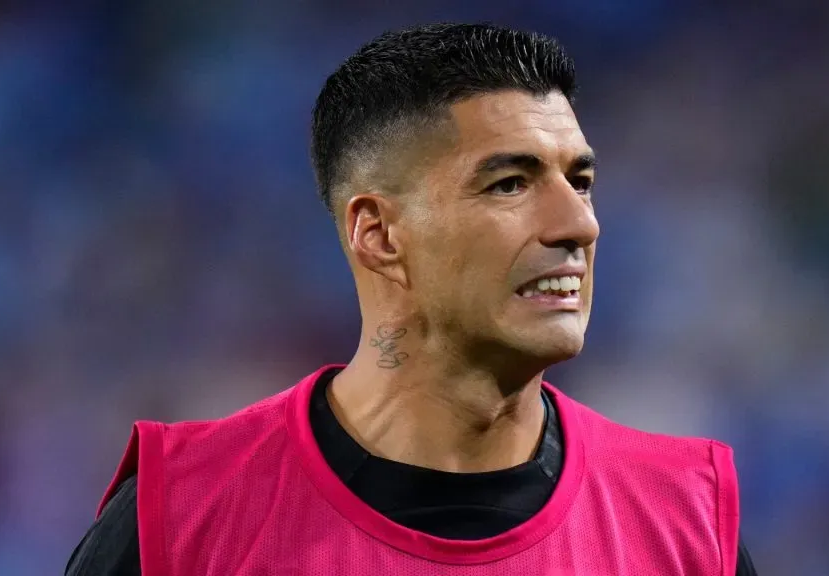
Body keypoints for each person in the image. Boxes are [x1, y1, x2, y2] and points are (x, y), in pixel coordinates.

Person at [66, 23, 758, 575]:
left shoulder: (687, 527)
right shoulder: (181, 523)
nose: (579, 224)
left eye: (578, 181)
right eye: (510, 184)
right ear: (379, 234)